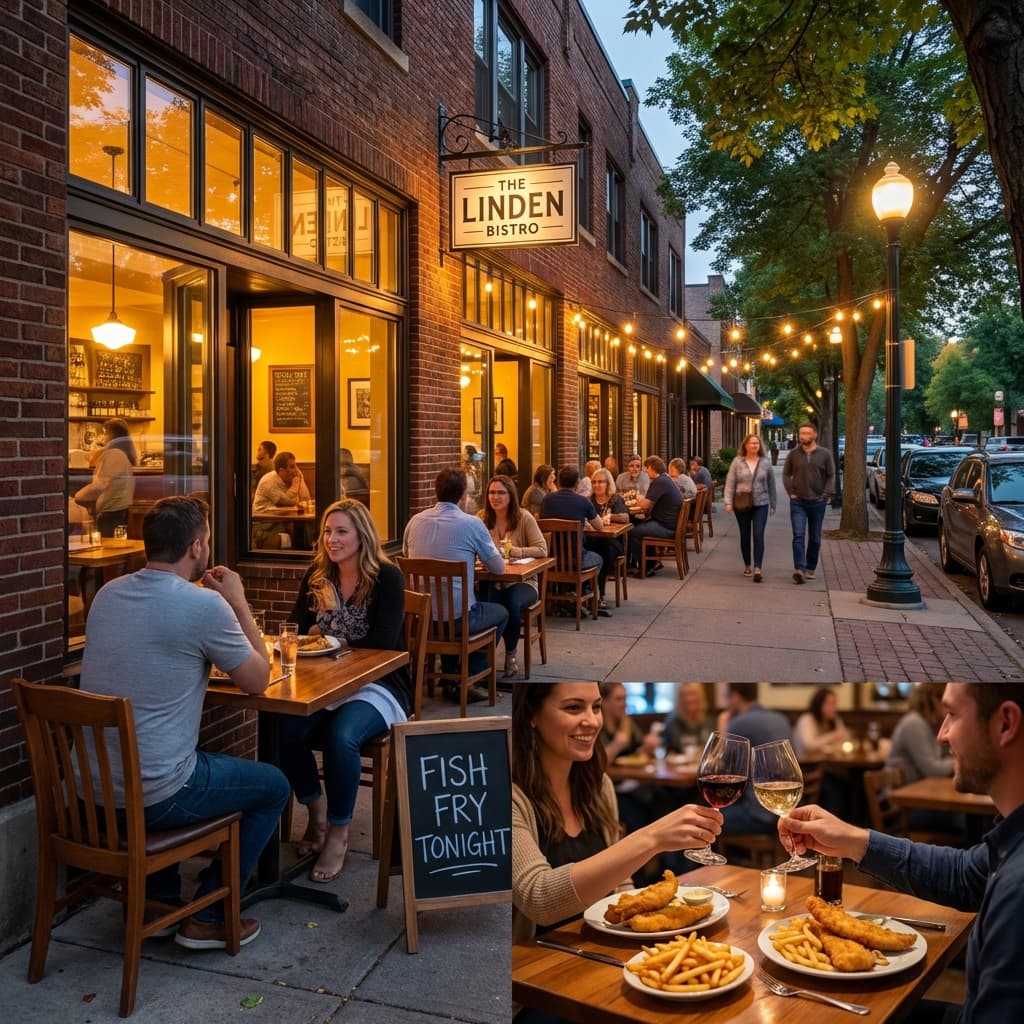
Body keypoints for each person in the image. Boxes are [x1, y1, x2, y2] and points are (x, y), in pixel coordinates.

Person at [79, 495, 290, 950]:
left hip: (87, 793)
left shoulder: (107, 594)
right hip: (153, 795)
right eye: (208, 540)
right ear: (196, 547)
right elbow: (258, 679)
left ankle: (162, 903)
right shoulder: (203, 606)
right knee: (273, 786)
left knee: (163, 754)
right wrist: (237, 601)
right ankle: (209, 917)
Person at [778, 684, 1024, 1024]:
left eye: (952, 714)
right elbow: (964, 875)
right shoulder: (1012, 844)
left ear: (1006, 723)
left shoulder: (1018, 891)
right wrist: (853, 840)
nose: (942, 734)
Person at [511, 683, 724, 948]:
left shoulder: (598, 787)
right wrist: (651, 838)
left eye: (596, 707)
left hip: (600, 948)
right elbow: (538, 899)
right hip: (536, 964)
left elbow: (620, 886)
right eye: (574, 707)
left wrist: (643, 939)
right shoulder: (510, 798)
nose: (591, 721)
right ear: (532, 714)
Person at [278, 499, 413, 882]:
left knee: (342, 737)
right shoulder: (318, 575)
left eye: (341, 532)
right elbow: (296, 627)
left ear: (361, 536)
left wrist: (329, 634)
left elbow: (384, 641)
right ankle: (316, 811)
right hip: (325, 682)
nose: (332, 540)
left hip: (378, 683)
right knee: (283, 729)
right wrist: (306, 637)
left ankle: (339, 832)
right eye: (327, 531)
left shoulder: (386, 578)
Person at [402, 467, 508, 701]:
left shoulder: (414, 522)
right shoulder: (471, 524)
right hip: (458, 620)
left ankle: (450, 677)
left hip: (422, 620)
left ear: (435, 492)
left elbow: (407, 556)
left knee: (452, 607)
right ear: (463, 495)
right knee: (501, 612)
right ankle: (470, 676)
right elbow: (498, 568)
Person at [477, 474, 547, 680]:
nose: (495, 497)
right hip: (491, 578)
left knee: (510, 601)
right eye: (491, 492)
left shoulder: (524, 518)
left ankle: (510, 655)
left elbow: (542, 549)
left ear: (511, 496)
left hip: (524, 582)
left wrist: (515, 551)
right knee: (484, 601)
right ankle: (481, 661)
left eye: (501, 493)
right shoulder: (481, 517)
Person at [718, 683, 791, 834]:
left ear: (736, 697)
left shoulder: (739, 722)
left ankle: (726, 856)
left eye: (727, 697)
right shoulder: (781, 719)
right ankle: (741, 855)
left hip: (759, 815)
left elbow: (720, 769)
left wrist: (723, 728)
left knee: (701, 820)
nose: (727, 703)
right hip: (785, 811)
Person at [539, 465, 610, 616]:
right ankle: (584, 594)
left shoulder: (546, 500)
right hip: (576, 560)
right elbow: (599, 526)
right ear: (577, 483)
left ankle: (566, 598)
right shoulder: (583, 502)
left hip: (551, 559)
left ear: (558, 482)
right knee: (598, 558)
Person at [598, 683, 660, 840]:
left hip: (635, 784)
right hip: (611, 789)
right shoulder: (598, 726)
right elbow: (597, 766)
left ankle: (666, 860)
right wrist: (618, 744)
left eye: (625, 698)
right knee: (636, 811)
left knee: (665, 798)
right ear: (604, 702)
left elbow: (637, 754)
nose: (624, 703)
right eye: (619, 699)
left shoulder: (626, 721)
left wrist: (647, 748)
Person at [782, 421, 835, 583]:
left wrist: (827, 494)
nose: (803, 436)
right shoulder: (793, 454)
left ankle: (810, 567)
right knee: (798, 535)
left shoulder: (825, 454)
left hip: (818, 501)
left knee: (815, 537)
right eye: (801, 433)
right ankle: (799, 568)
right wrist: (791, 492)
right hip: (798, 501)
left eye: (806, 433)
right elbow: (786, 474)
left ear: (814, 435)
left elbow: (831, 475)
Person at [723, 433, 777, 582]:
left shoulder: (765, 462)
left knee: (758, 534)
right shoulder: (737, 462)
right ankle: (747, 564)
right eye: (752, 443)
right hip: (742, 503)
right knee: (745, 535)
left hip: (761, 503)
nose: (755, 445)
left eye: (757, 443)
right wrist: (728, 502)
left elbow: (771, 484)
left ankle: (757, 567)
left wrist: (773, 503)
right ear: (745, 445)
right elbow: (730, 483)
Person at [74, 417, 138, 536]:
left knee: (107, 550)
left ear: (111, 435)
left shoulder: (113, 455)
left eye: (104, 433)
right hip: (118, 512)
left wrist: (77, 497)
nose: (103, 437)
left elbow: (98, 486)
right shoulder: (122, 454)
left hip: (111, 515)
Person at [627, 456, 682, 574]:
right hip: (669, 523)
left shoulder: (660, 481)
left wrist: (639, 499)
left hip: (666, 527)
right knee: (640, 525)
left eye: (646, 469)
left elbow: (645, 505)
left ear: (651, 468)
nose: (646, 472)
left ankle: (644, 568)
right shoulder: (665, 479)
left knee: (633, 532)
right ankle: (653, 562)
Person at [252, 450, 310, 548]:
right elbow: (288, 502)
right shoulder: (268, 481)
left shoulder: (294, 475)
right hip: (265, 524)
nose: (296, 470)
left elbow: (305, 498)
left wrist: (301, 479)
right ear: (281, 470)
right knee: (294, 535)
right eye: (292, 467)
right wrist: (295, 485)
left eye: (295, 465)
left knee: (307, 530)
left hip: (283, 521)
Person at [793, 686, 850, 758]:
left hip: (828, 761)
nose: (835, 707)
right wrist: (834, 735)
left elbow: (845, 739)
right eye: (831, 703)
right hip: (806, 764)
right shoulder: (807, 719)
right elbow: (809, 745)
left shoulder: (835, 719)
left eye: (835, 703)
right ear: (819, 704)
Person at [663, 683, 714, 756]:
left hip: (701, 763)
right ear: (679, 699)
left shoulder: (708, 720)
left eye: (692, 694)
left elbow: (712, 747)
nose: (688, 699)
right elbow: (667, 749)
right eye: (684, 695)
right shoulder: (672, 722)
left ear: (700, 696)